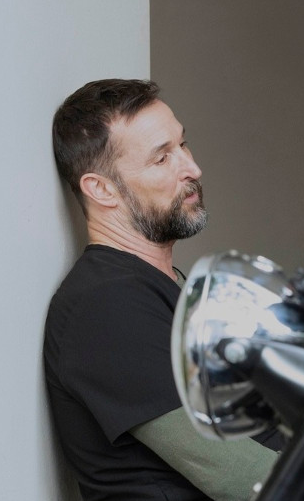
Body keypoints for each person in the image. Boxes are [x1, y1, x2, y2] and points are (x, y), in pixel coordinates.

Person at [44, 79, 281, 501]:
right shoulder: (106, 305)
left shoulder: (163, 285)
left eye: (182, 145)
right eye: (162, 158)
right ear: (101, 189)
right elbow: (240, 478)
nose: (192, 168)